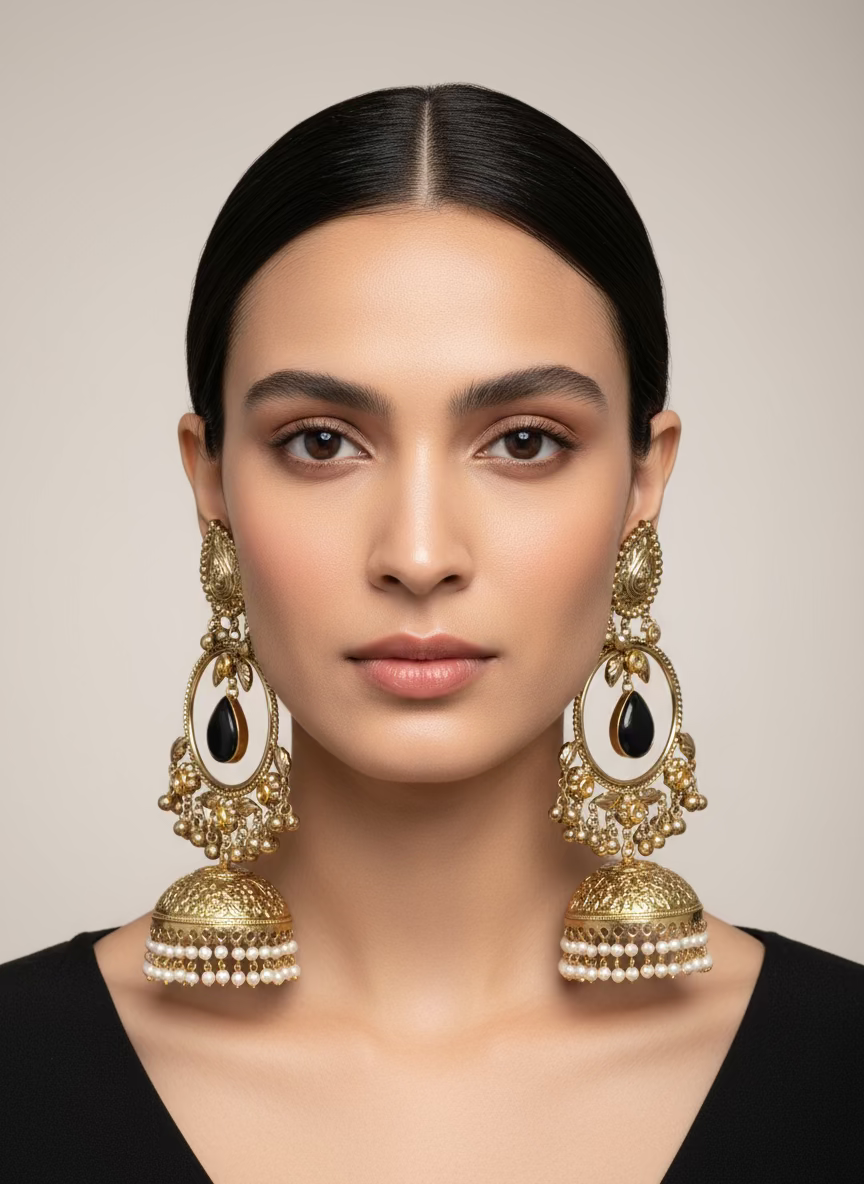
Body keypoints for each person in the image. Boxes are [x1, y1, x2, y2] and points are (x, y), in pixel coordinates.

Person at [1, 83, 860, 1183]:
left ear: (644, 478)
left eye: (523, 441)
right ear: (209, 478)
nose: (417, 551)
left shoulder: (843, 1069)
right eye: (320, 441)